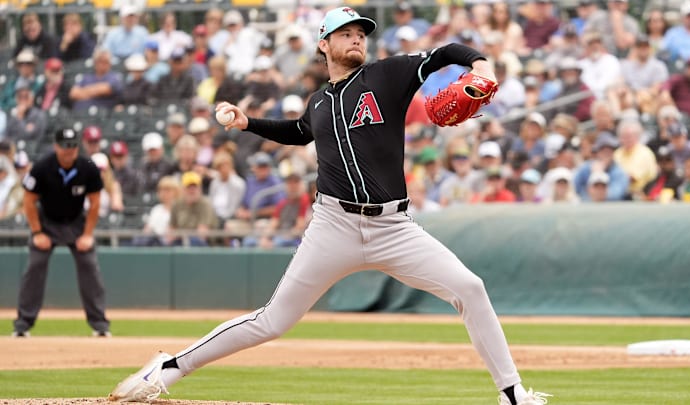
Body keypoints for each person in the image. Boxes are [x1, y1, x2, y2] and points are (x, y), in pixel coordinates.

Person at [109, 7, 550, 405]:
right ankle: (167, 369)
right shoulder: (319, 101)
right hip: (332, 225)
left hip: (394, 228)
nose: (357, 38)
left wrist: (481, 66)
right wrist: (248, 123)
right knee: (272, 321)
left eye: (361, 32)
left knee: (470, 288)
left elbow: (447, 52)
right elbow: (300, 131)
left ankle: (513, 395)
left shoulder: (388, 75)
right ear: (325, 43)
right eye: (346, 33)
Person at [12, 128, 110, 338]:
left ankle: (100, 324)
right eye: (65, 146)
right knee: (35, 266)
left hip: (76, 223)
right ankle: (22, 325)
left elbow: (95, 203)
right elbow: (29, 201)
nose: (70, 150)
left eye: (73, 145)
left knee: (89, 266)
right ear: (56, 146)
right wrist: (37, 232)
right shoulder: (42, 167)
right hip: (47, 221)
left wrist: (87, 234)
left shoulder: (88, 167)